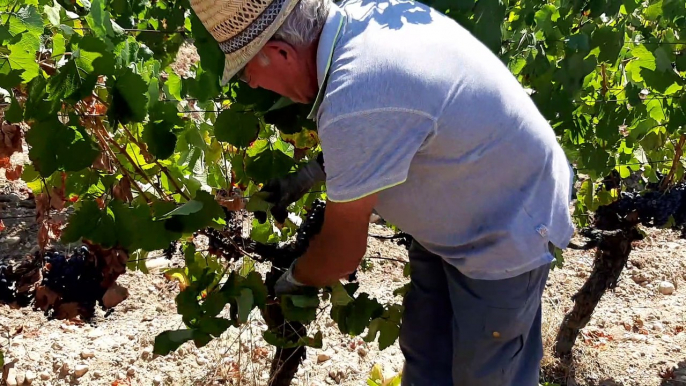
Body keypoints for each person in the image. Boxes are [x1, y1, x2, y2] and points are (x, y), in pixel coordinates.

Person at [190, 0, 575, 384]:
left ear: (281, 53)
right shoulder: (364, 19)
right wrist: (310, 173)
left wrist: (294, 278)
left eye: (247, 73)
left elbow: (341, 254)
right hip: (456, 205)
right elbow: (394, 122)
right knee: (425, 354)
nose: (253, 84)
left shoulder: (355, 97)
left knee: (487, 374)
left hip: (509, 223)